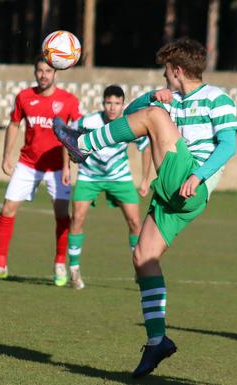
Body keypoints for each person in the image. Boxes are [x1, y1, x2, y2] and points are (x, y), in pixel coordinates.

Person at [54, 37, 237, 377]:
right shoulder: (167, 101)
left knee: (154, 117)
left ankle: (82, 144)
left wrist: (198, 176)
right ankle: (157, 342)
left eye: (166, 73)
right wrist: (153, 96)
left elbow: (229, 145)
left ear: (177, 70)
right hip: (172, 190)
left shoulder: (218, 99)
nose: (165, 78)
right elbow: (129, 116)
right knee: (143, 257)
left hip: (189, 181)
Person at [0, 57, 81, 286]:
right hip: (28, 164)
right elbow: (14, 124)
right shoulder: (24, 97)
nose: (43, 75)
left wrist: (68, 165)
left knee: (62, 214)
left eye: (48, 71)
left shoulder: (68, 101)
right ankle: (0, 265)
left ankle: (59, 264)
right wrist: (7, 155)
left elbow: (76, 132)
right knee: (7, 209)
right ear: (35, 72)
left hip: (57, 168)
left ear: (56, 73)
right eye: (39, 70)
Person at [65, 84, 152, 290]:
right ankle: (74, 270)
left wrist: (146, 179)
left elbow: (145, 147)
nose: (112, 108)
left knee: (134, 221)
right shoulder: (89, 121)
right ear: (103, 103)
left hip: (119, 177)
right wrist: (66, 167)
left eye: (117, 103)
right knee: (77, 218)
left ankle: (140, 268)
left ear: (123, 104)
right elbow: (67, 138)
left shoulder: (129, 123)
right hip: (89, 176)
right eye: (108, 103)